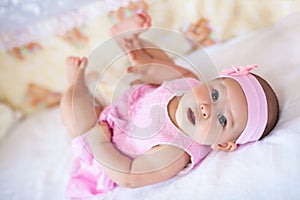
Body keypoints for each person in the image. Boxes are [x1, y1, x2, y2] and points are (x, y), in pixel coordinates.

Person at [60, 11, 279, 199]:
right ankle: (129, 41)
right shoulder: (191, 86)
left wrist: (99, 142)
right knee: (173, 69)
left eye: (222, 119)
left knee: (76, 115)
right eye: (214, 95)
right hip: (121, 110)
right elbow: (166, 72)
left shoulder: (177, 151)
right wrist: (148, 69)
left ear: (222, 145)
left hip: (105, 150)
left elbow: (129, 175)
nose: (207, 108)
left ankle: (75, 85)